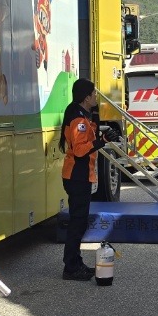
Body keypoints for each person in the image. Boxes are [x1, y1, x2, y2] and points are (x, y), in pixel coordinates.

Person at [59, 78, 115, 281]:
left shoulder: (83, 115)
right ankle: (71, 267)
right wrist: (103, 141)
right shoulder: (78, 119)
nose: (96, 97)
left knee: (80, 222)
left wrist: (97, 120)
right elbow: (81, 150)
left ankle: (76, 262)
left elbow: (87, 138)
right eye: (93, 94)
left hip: (80, 176)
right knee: (77, 223)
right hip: (76, 176)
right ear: (86, 97)